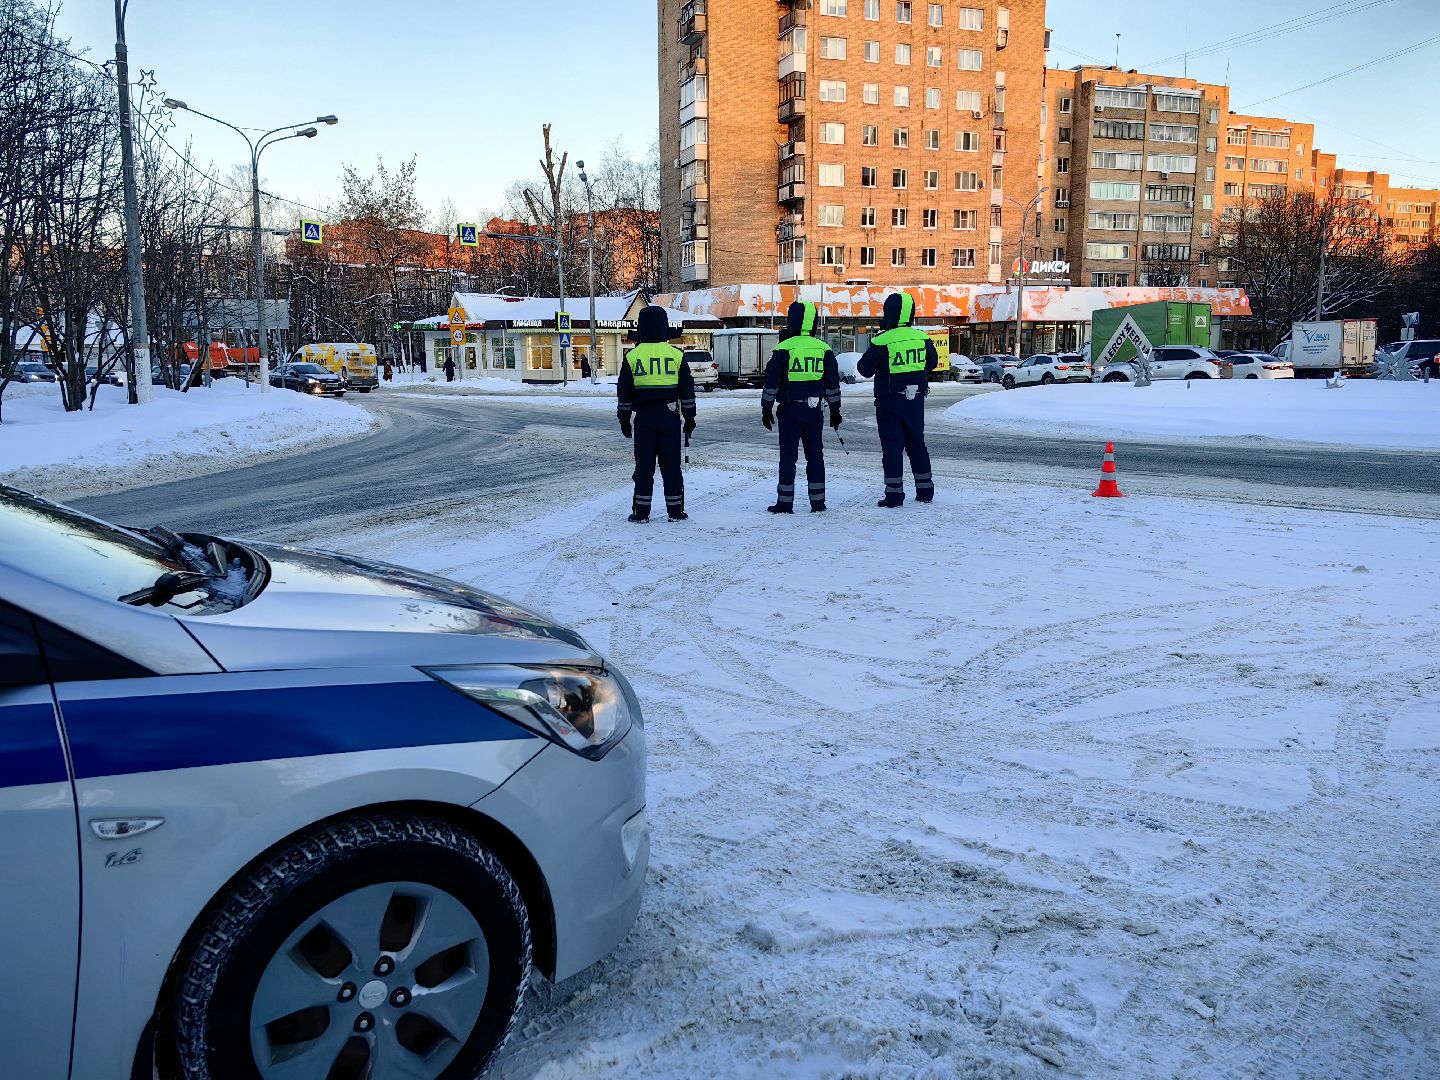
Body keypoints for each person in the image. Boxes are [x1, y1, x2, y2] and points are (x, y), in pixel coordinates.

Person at [857, 291, 937, 507]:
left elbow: (864, 369)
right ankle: (925, 491)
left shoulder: (883, 340)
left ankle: (894, 494)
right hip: (916, 399)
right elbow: (932, 362)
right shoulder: (921, 337)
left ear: (889, 313)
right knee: (917, 444)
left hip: (890, 401)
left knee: (892, 448)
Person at [762, 300, 842, 513]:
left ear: (793, 321)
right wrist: (835, 410)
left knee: (788, 458)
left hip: (790, 410)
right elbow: (832, 384)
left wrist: (766, 408)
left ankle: (784, 503)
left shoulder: (783, 348)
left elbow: (771, 383)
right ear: (813, 322)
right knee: (815, 456)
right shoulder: (824, 349)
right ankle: (818, 502)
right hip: (815, 411)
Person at [617, 306, 696, 522]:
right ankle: (675, 511)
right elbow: (687, 390)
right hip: (670, 417)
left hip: (644, 419)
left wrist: (624, 419)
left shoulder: (632, 356)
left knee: (644, 467)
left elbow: (624, 392)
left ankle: (641, 513)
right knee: (671, 465)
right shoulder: (676, 355)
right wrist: (690, 417)